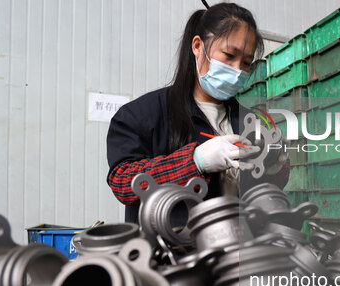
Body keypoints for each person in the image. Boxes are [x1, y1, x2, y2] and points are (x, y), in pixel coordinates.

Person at [106, 2, 289, 224]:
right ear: (197, 46)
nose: (237, 70)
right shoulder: (142, 115)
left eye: (246, 63)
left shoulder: (250, 122)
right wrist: (196, 161)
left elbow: (268, 188)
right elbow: (123, 183)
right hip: (171, 254)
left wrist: (276, 164)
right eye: (229, 55)